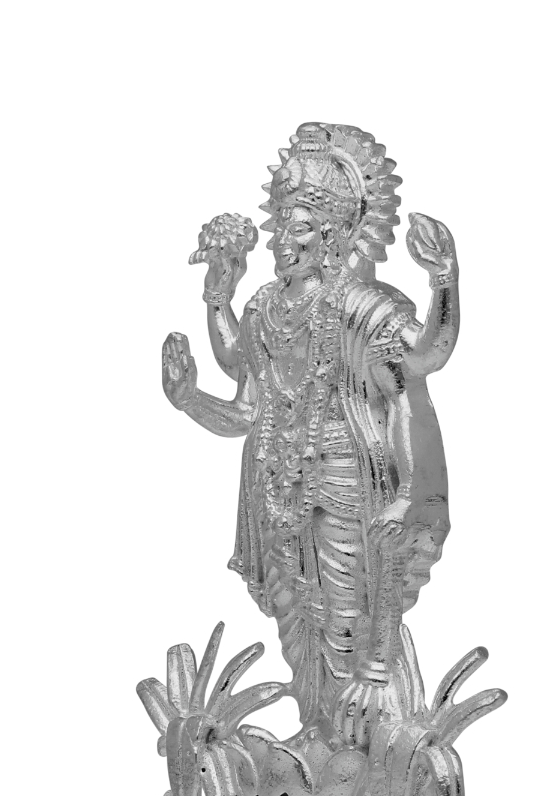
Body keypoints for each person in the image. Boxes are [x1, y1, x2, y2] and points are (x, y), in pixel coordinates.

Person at [161, 122, 460, 749]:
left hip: (344, 487)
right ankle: (318, 743)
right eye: (279, 228)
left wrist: (444, 281)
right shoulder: (265, 310)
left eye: (297, 229)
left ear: (332, 235)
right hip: (278, 491)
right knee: (294, 619)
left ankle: (362, 760)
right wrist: (190, 392)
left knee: (346, 622)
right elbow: (245, 404)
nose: (281, 243)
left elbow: (424, 356)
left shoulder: (361, 306)